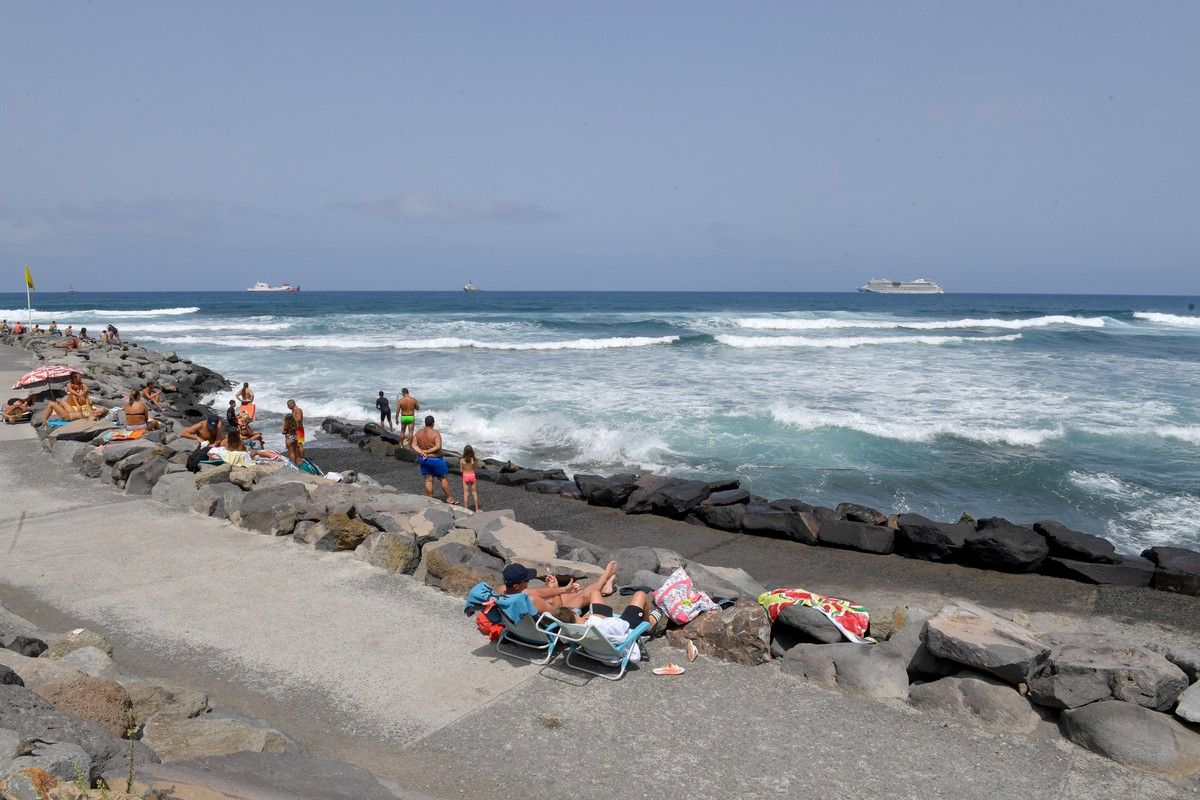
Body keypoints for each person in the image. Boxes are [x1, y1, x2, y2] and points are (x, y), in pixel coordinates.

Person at [549, 578, 659, 663]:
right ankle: (648, 626)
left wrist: (592, 618)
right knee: (640, 595)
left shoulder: (568, 629)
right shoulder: (596, 623)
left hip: (596, 638)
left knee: (594, 593)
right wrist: (602, 618)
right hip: (621, 632)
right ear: (573, 612)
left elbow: (565, 640)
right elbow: (622, 626)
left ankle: (607, 586)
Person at [412, 415, 456, 504]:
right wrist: (427, 451)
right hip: (436, 460)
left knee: (428, 480)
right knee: (443, 479)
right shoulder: (435, 433)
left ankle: (430, 499)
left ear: (425, 423)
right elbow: (437, 446)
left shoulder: (418, 433)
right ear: (433, 423)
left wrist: (421, 452)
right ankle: (450, 499)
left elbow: (413, 445)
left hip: (424, 459)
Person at [460, 444, 481, 512]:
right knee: (474, 493)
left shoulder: (462, 460)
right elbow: (475, 468)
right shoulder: (473, 460)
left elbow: (461, 470)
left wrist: (464, 467)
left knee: (466, 493)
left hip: (465, 476)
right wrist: (472, 464)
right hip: (472, 476)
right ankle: (477, 509)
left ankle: (466, 509)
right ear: (472, 452)